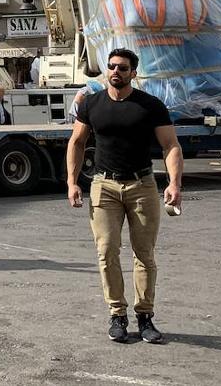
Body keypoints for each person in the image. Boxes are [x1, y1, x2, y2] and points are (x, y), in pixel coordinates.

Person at [67, 47, 182, 345]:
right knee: (107, 252)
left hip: (142, 186)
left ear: (133, 72)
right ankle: (117, 314)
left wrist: (174, 184)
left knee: (144, 255)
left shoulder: (150, 105)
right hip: (103, 187)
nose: (116, 71)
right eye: (112, 66)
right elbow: (77, 142)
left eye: (122, 67)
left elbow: (171, 145)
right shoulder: (92, 104)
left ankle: (145, 317)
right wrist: (72, 181)